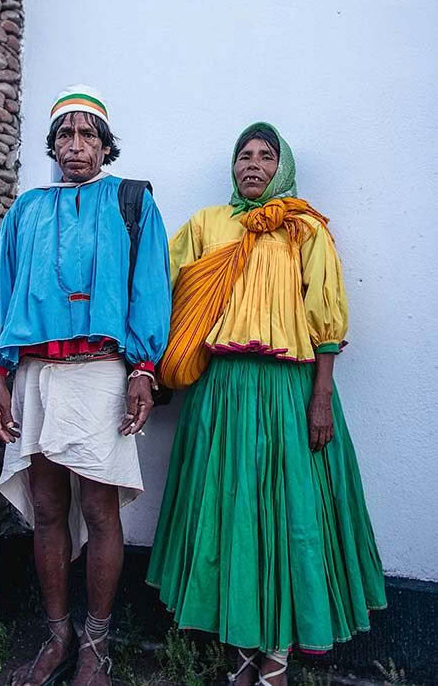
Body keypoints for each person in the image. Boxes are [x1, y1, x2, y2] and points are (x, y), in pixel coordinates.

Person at [147, 122, 386, 686]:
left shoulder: (305, 230)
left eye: (265, 156)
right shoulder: (207, 225)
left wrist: (321, 397)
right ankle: (241, 646)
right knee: (230, 511)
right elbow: (159, 281)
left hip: (288, 392)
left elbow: (326, 315)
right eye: (243, 156)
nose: (252, 165)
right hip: (221, 392)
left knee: (286, 515)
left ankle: (277, 650)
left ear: (282, 167)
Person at [0, 85, 171, 686]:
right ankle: (57, 634)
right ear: (53, 145)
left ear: (106, 146)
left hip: (100, 375)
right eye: (66, 134)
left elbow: (150, 287)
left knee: (99, 506)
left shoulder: (130, 202)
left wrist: (143, 368)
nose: (76, 145)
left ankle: (96, 642)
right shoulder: (27, 210)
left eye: (89, 134)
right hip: (34, 376)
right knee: (49, 508)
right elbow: (0, 294)